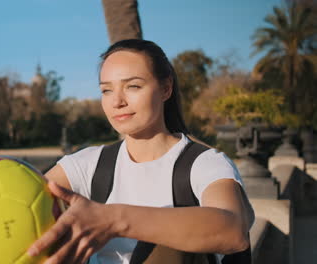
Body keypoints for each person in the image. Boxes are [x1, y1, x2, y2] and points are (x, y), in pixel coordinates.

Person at [27, 39, 255, 264]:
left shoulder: (204, 163)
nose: (117, 101)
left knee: (166, 247)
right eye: (106, 90)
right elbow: (20, 202)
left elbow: (233, 230)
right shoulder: (87, 165)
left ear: (166, 88)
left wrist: (112, 219)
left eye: (133, 86)